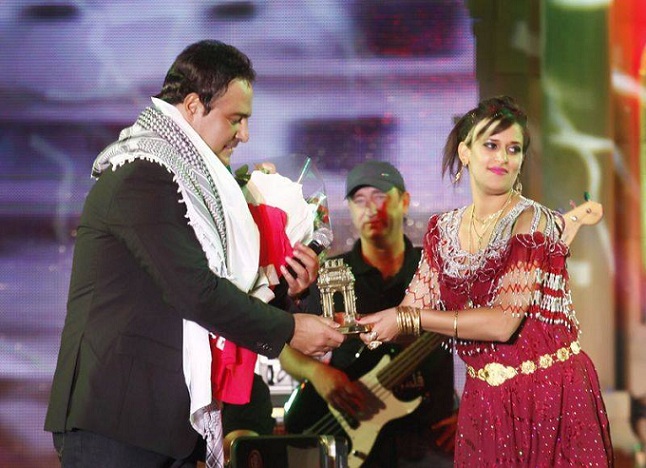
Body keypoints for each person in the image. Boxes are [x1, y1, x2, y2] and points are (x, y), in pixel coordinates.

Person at [44, 40, 344, 467]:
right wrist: (289, 329)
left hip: (161, 424)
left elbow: (218, 293)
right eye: (235, 119)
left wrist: (285, 285)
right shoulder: (143, 175)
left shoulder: (190, 183)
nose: (245, 135)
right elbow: (196, 292)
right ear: (192, 106)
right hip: (116, 419)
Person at [357, 96, 614, 466]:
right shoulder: (442, 229)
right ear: (465, 152)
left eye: (513, 149)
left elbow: (502, 323)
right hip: (485, 400)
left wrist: (405, 318)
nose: (503, 158)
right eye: (491, 145)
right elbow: (410, 315)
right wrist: (365, 325)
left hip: (549, 396)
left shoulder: (532, 221)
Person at [280, 160, 456, 467]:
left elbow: (484, 337)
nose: (370, 208)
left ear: (404, 201)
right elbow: (285, 344)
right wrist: (318, 373)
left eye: (380, 196)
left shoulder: (437, 269)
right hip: (352, 439)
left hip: (431, 438)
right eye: (359, 199)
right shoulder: (330, 275)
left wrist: (473, 412)